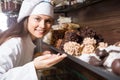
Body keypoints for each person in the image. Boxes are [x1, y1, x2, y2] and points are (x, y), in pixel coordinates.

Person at [0, 0, 67, 80]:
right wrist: (34, 66)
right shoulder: (13, 43)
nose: (42, 26)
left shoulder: (33, 39)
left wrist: (36, 57)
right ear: (26, 19)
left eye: (48, 21)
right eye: (37, 19)